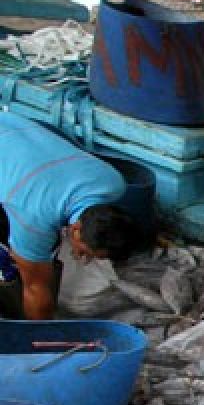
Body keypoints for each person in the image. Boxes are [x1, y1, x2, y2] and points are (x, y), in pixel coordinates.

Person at [0, 112, 136, 320]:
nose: (86, 258)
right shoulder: (34, 222)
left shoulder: (113, 182)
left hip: (13, 127)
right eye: (86, 251)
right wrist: (40, 341)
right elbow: (35, 289)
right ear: (74, 230)